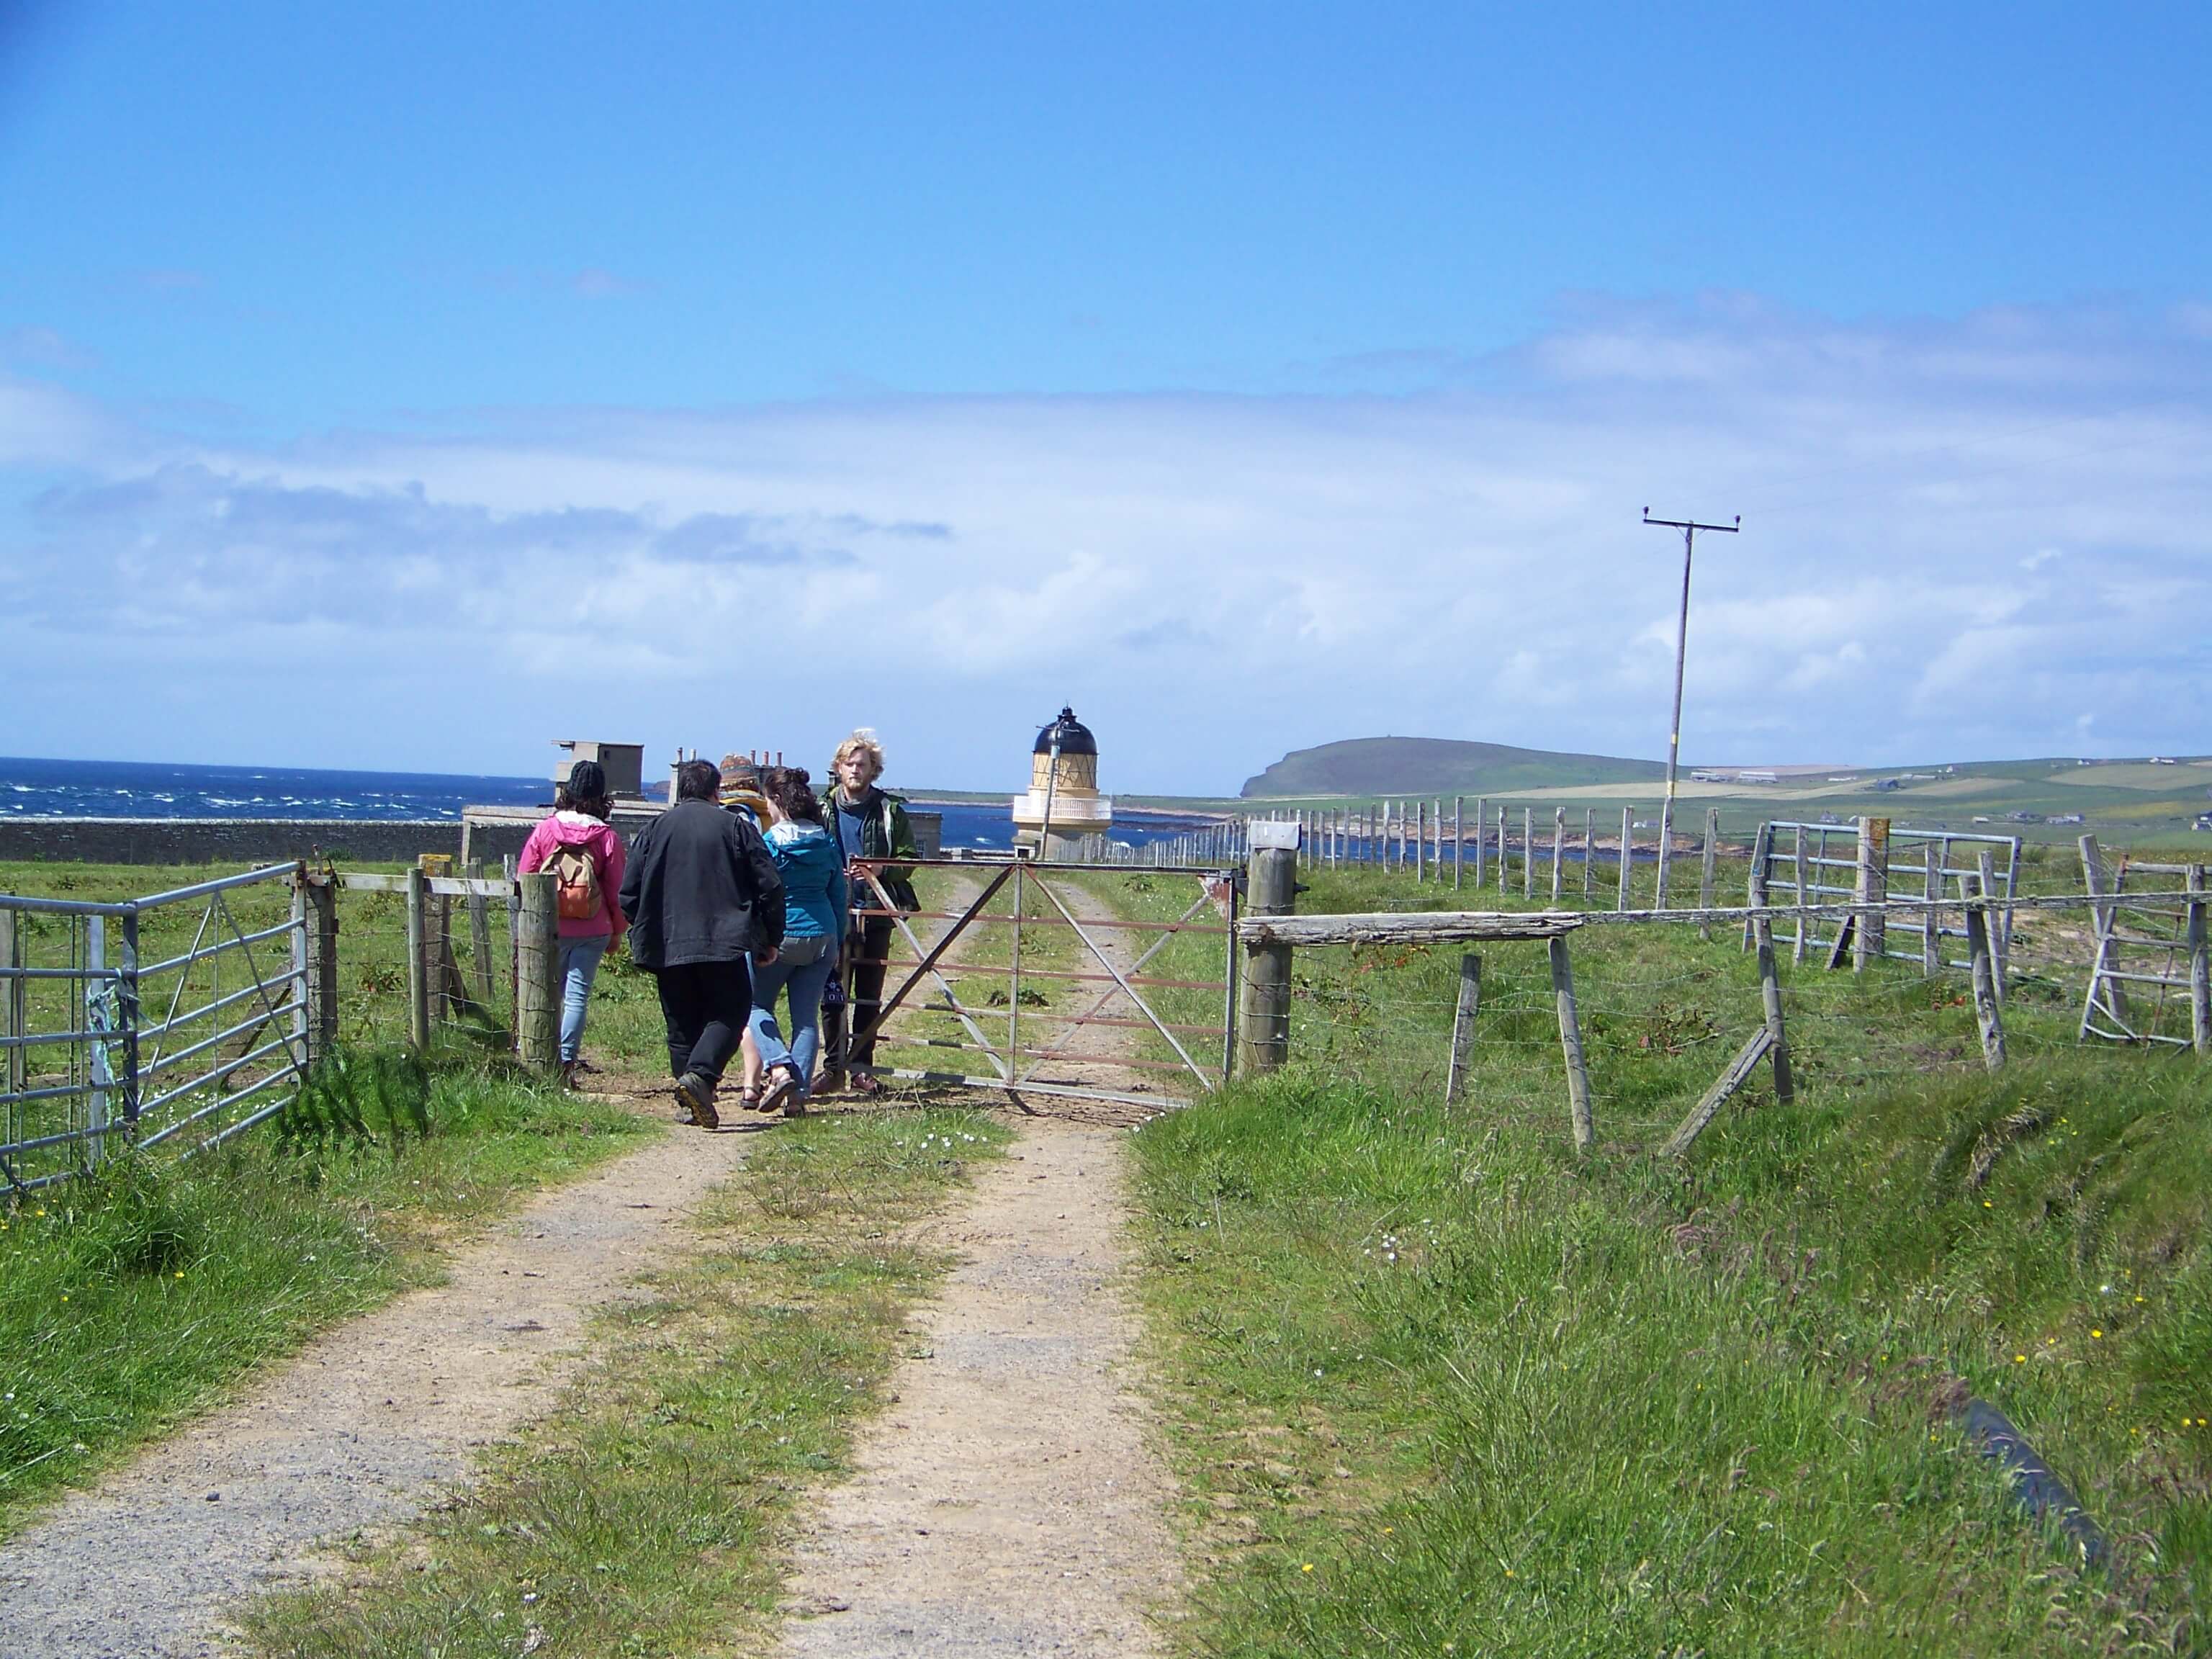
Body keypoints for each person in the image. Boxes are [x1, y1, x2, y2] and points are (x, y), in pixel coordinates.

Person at [617, 758, 785, 1128]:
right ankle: (701, 1077)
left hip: (666, 939)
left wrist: (644, 923)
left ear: (681, 790)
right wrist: (770, 937)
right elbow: (769, 884)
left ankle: (690, 1098)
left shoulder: (654, 828)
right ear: (715, 791)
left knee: (681, 1024)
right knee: (732, 1012)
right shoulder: (735, 828)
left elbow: (628, 892)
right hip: (722, 939)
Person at [819, 729, 920, 1095]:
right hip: (832, 912)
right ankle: (833, 1069)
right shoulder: (822, 809)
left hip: (875, 911)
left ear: (874, 770)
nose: (856, 770)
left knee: (868, 994)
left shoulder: (890, 812)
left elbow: (910, 859)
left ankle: (862, 1067)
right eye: (850, 763)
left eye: (863, 764)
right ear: (839, 767)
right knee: (832, 993)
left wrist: (880, 869)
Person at [516, 759, 627, 1088]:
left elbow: (525, 875)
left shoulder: (546, 830)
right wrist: (617, 931)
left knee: (545, 991)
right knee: (578, 996)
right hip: (593, 929)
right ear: (601, 796)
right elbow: (616, 890)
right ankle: (566, 1063)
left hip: (548, 927)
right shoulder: (606, 837)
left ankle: (534, 1055)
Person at [745, 767, 848, 1116]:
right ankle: (799, 1096)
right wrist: (839, 940)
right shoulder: (827, 842)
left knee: (757, 1006)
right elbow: (839, 894)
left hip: (782, 934)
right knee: (805, 1018)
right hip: (823, 934)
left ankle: (779, 1065)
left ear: (777, 803)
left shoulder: (771, 844)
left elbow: (759, 894)